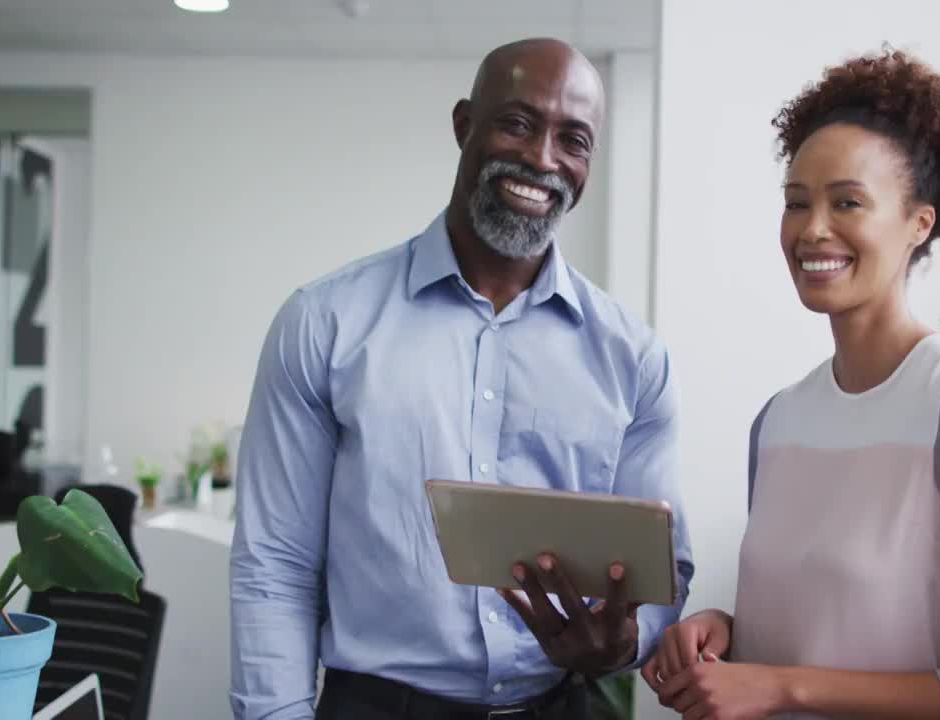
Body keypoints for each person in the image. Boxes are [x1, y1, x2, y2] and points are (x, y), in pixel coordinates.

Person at [229, 37, 694, 720]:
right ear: (463, 125)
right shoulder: (324, 323)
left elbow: (662, 576)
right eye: (517, 123)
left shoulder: (634, 358)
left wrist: (626, 644)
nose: (542, 159)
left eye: (574, 139)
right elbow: (274, 564)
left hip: (558, 704)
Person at [643, 48, 940, 719]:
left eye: (848, 202)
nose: (813, 229)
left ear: (919, 223)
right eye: (796, 203)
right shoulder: (778, 421)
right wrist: (727, 634)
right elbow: (830, 623)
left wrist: (782, 685)